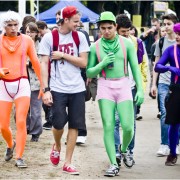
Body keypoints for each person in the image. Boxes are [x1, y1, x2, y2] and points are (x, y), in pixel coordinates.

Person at [87, 11, 144, 177]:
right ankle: (113, 163)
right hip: (105, 86)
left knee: (128, 127)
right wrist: (102, 64)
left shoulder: (126, 44)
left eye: (109, 27)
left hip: (124, 84)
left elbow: (135, 67)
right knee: (109, 126)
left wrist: (140, 89)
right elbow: (89, 73)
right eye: (103, 28)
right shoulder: (95, 46)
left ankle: (124, 149)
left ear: (115, 27)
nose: (106, 31)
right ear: (99, 28)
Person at [39, 6, 90, 175]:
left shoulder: (80, 36)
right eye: (75, 21)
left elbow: (83, 63)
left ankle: (68, 162)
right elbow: (44, 65)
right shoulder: (49, 37)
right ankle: (58, 145)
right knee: (58, 123)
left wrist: (63, 55)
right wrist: (45, 89)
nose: (79, 24)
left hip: (77, 88)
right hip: (57, 87)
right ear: (65, 20)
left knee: (75, 125)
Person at [0, 11, 43, 168]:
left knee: (20, 121)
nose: (13, 28)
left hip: (22, 84)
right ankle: (10, 144)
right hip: (3, 85)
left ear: (19, 25)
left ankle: (19, 157)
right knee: (3, 125)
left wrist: (44, 85)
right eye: (9, 25)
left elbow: (36, 62)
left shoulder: (27, 40)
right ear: (4, 26)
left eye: (15, 24)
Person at [114, 14, 147, 166]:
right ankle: (115, 152)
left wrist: (142, 88)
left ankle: (128, 151)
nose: (127, 34)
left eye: (129, 31)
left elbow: (142, 66)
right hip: (113, 87)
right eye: (123, 32)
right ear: (116, 29)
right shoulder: (109, 43)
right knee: (114, 122)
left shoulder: (137, 43)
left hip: (132, 88)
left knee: (130, 123)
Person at [151, 14, 179, 157]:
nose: (166, 26)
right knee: (164, 114)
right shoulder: (161, 42)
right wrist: (153, 84)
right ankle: (164, 144)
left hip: (177, 85)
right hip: (164, 83)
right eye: (164, 24)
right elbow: (157, 63)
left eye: (169, 24)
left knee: (176, 116)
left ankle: (175, 143)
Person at [25, 22, 42, 142]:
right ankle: (25, 128)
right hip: (22, 80)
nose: (29, 34)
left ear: (36, 33)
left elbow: (41, 62)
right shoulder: (21, 43)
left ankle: (35, 132)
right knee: (21, 110)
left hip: (36, 81)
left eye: (32, 31)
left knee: (36, 110)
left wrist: (29, 63)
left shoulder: (40, 45)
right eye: (27, 31)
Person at [36, 20, 52, 130]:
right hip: (46, 70)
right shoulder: (43, 38)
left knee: (48, 95)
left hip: (50, 70)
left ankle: (50, 120)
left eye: (39, 30)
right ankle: (49, 119)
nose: (38, 33)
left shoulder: (50, 37)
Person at [140, 18, 161, 98]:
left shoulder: (162, 31)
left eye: (155, 25)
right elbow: (141, 38)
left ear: (159, 24)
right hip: (150, 56)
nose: (154, 27)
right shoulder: (150, 33)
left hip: (160, 55)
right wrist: (148, 31)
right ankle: (152, 90)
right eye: (153, 25)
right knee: (153, 73)